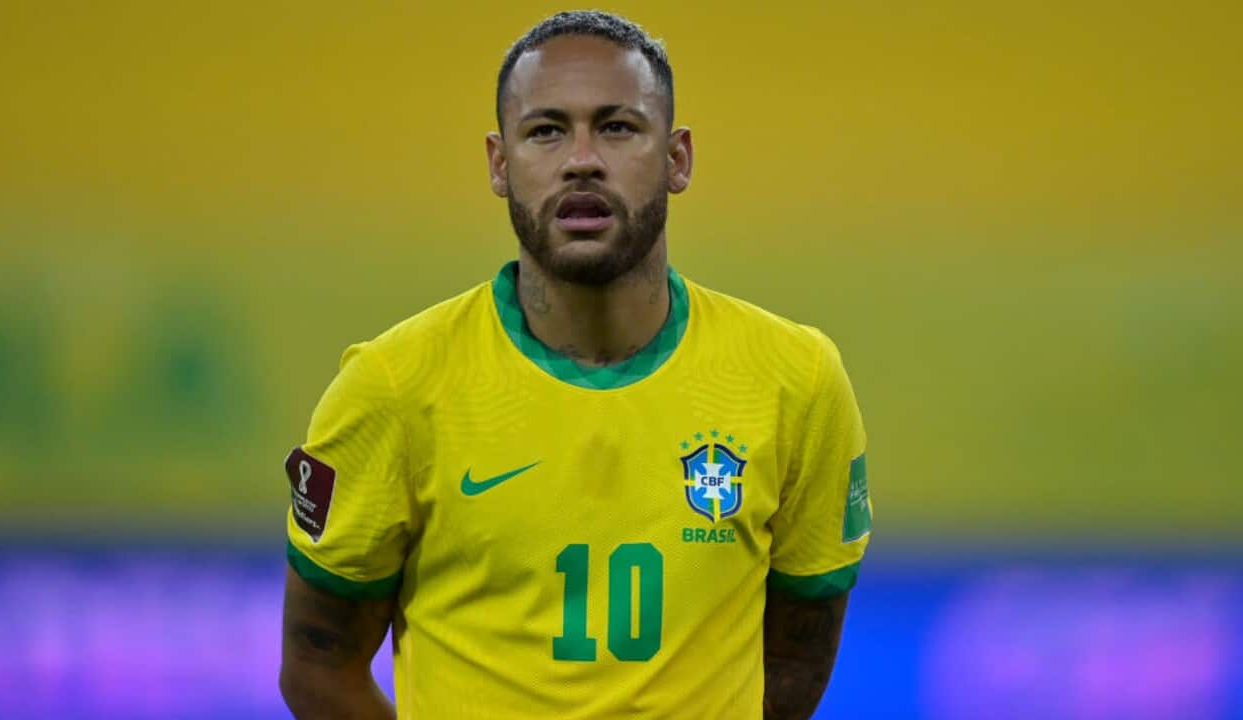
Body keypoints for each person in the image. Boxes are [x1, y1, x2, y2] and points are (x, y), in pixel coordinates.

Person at [279, 10, 871, 719]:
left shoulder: (794, 379)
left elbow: (797, 660)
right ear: (500, 164)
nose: (581, 159)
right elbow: (318, 667)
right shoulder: (393, 387)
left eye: (618, 127)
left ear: (677, 158)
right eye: (546, 130)